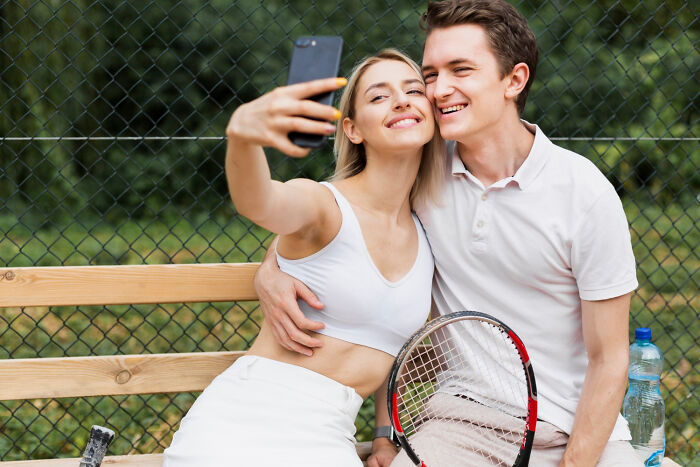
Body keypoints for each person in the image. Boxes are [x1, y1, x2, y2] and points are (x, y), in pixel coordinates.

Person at [253, 1, 641, 466]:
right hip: (464, 425)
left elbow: (610, 358)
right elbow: (336, 216)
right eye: (431, 74)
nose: (439, 90)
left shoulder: (585, 194)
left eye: (461, 70)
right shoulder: (421, 175)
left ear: (513, 80)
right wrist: (271, 267)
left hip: (583, 433)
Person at [162, 49, 445, 466]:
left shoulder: (428, 232)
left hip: (329, 435)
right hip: (244, 424)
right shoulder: (322, 205)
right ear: (352, 129)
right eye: (379, 97)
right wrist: (242, 136)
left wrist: (385, 437)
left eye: (414, 90)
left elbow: (390, 348)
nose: (401, 100)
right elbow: (260, 203)